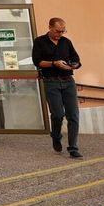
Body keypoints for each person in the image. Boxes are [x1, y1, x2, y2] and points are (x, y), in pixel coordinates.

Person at [32, 17, 83, 158]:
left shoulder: (66, 42)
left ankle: (73, 148)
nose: (60, 34)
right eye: (57, 31)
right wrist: (54, 63)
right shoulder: (40, 42)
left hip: (68, 81)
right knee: (58, 114)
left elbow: (77, 59)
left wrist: (74, 64)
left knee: (73, 115)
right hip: (51, 82)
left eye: (62, 31)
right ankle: (55, 136)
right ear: (50, 27)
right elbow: (37, 62)